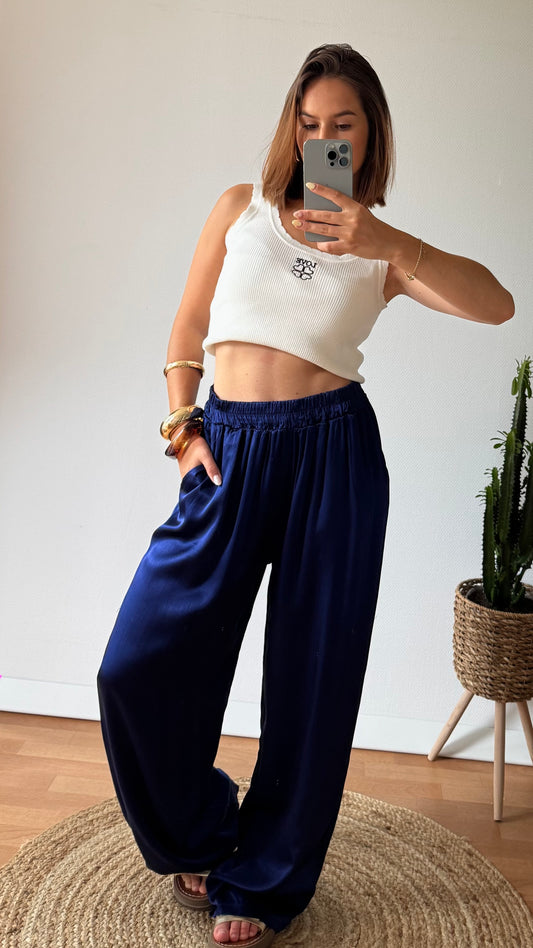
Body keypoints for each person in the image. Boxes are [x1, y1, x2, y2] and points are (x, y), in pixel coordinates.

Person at [96, 43, 514, 948]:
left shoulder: (382, 252)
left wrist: (389, 244)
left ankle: (264, 878)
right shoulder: (239, 208)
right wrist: (182, 428)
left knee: (312, 675)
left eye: (342, 125)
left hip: (332, 454)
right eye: (309, 121)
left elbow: (496, 306)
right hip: (227, 448)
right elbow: (187, 326)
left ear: (369, 137)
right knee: (135, 664)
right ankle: (197, 831)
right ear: (292, 126)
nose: (323, 137)